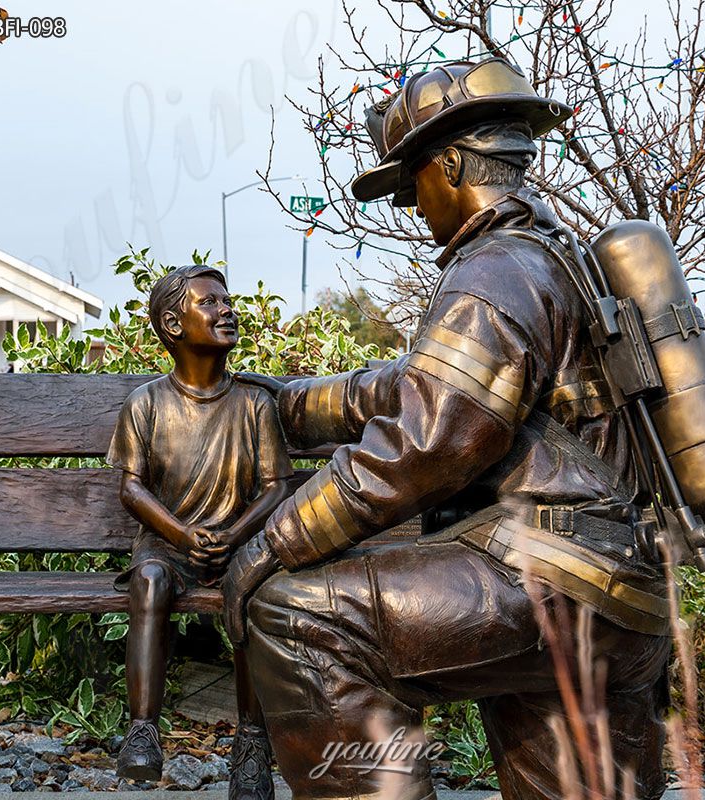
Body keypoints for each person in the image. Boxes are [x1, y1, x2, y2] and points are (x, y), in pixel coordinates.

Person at [224, 58, 673, 800]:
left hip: (556, 579)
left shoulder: (492, 272)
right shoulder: (551, 257)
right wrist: (295, 403)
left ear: (454, 164)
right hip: (623, 591)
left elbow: (429, 443)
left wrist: (275, 540)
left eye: (412, 183)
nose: (410, 205)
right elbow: (426, 384)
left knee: (296, 615)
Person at [107, 264, 292, 800]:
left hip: (241, 545)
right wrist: (185, 536)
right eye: (209, 302)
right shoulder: (146, 403)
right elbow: (133, 490)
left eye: (227, 300)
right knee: (149, 583)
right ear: (172, 323)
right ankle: (142, 732)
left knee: (256, 589)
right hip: (169, 545)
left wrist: (234, 536)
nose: (227, 309)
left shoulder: (255, 403)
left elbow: (278, 486)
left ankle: (252, 749)